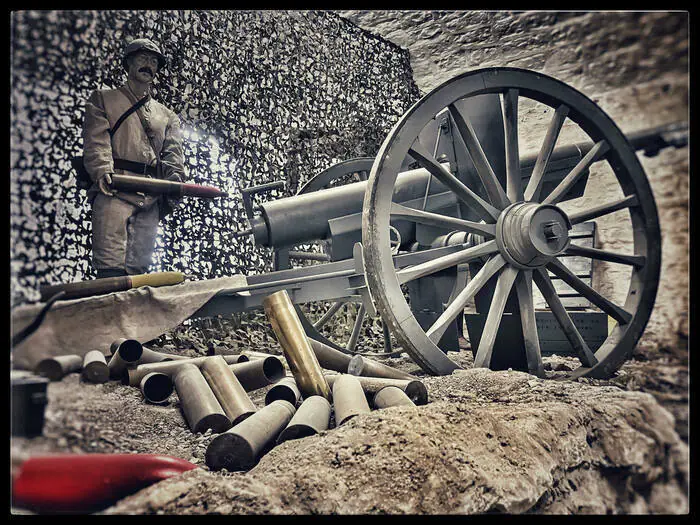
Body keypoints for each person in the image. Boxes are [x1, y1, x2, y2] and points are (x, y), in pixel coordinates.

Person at [82, 37, 185, 279]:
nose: (148, 65)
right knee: (109, 267)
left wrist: (175, 183)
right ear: (128, 62)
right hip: (114, 190)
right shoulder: (103, 100)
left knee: (139, 271)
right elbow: (97, 141)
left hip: (150, 195)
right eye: (142, 58)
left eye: (153, 61)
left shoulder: (167, 115)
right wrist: (102, 170)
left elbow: (173, 155)